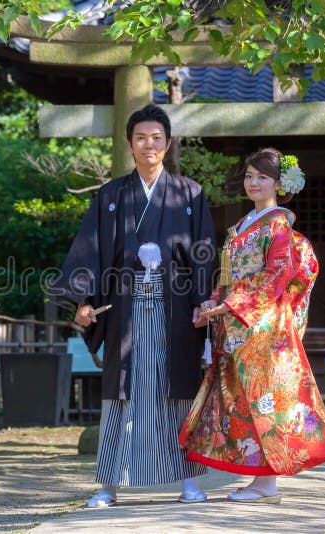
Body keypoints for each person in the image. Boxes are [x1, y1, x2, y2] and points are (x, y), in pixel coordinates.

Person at [52, 104, 217, 507]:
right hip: (124, 308)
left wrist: (202, 301)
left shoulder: (189, 193)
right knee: (122, 394)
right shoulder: (111, 195)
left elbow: (203, 252)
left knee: (176, 391)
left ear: (168, 143)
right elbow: (91, 249)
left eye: (156, 138)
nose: (149, 145)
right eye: (141, 138)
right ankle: (109, 484)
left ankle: (189, 481)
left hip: (174, 309)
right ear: (129, 144)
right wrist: (84, 299)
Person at [179, 147, 325, 503]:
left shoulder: (278, 224)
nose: (253, 182)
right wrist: (211, 303)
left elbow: (276, 277)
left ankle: (267, 484)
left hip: (262, 328)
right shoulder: (241, 225)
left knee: (263, 402)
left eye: (262, 177)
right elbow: (226, 276)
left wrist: (228, 304)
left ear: (279, 185)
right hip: (236, 326)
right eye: (250, 176)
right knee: (243, 402)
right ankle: (259, 481)